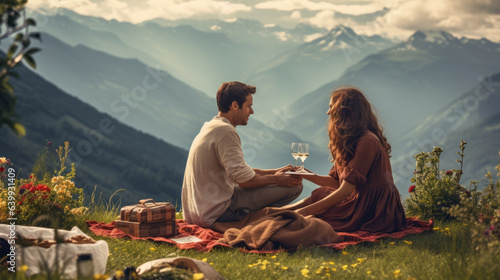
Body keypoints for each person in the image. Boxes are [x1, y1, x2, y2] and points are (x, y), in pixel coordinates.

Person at [280, 87, 407, 233]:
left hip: (373, 209)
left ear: (345, 110)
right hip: (360, 201)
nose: (328, 112)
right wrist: (308, 175)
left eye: (330, 107)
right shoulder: (352, 139)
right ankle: (277, 212)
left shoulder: (367, 141)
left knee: (310, 223)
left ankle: (286, 214)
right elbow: (337, 183)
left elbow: (345, 191)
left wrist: (302, 212)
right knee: (322, 193)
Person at [182, 81, 303, 228]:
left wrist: (275, 172)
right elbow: (244, 180)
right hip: (217, 211)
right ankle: (255, 220)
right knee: (295, 188)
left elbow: (241, 171)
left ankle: (255, 216)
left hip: (199, 210)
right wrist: (277, 180)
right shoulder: (226, 132)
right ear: (234, 105)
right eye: (249, 106)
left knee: (283, 183)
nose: (251, 112)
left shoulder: (211, 126)